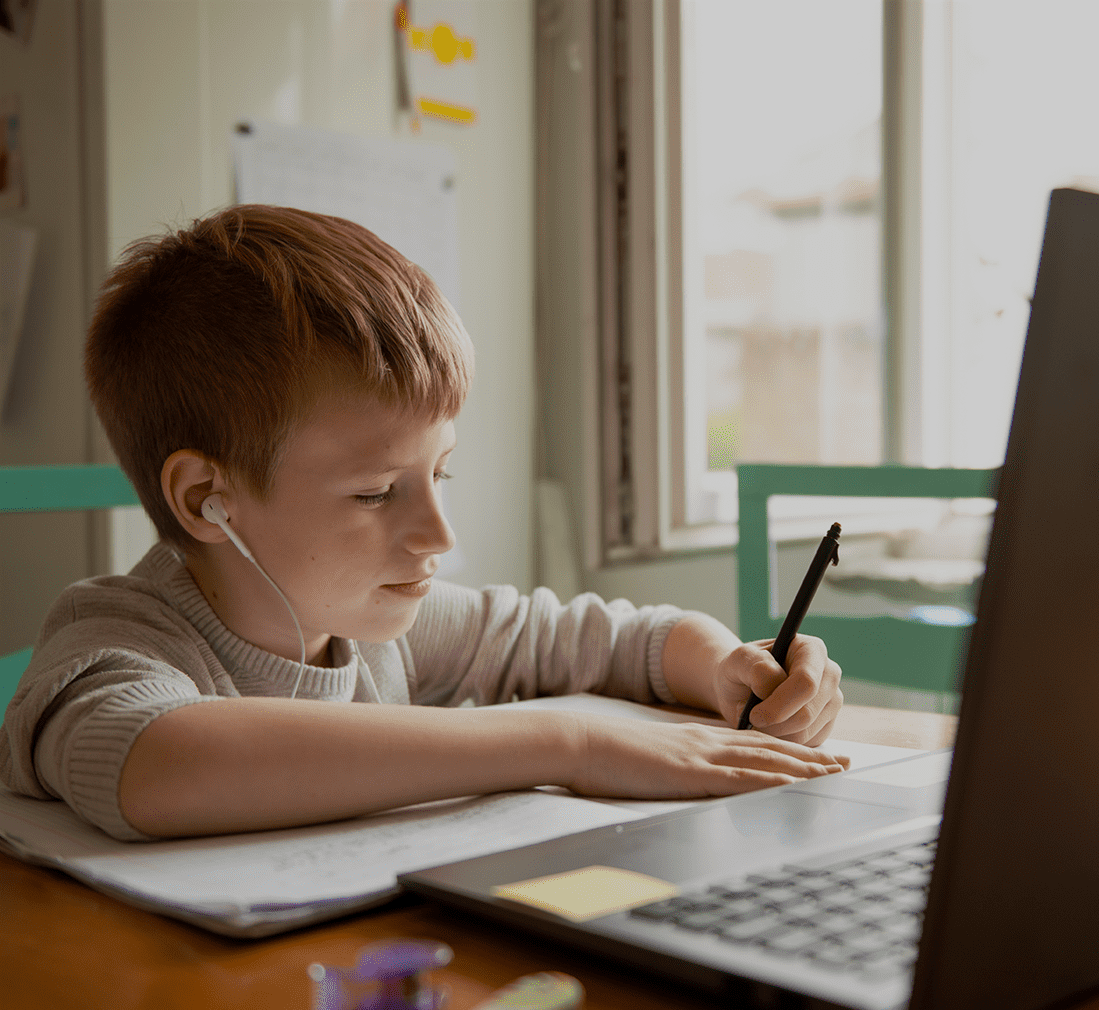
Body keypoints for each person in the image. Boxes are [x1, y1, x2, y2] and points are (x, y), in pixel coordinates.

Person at [0, 206, 844, 841]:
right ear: (203, 500)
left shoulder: (372, 625)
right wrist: (566, 742)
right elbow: (161, 762)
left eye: (439, 473)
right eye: (375, 493)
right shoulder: (107, 639)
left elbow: (595, 638)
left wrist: (726, 664)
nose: (438, 533)